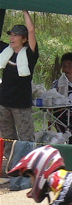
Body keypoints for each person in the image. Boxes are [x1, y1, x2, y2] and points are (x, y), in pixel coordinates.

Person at [0, 11, 38, 165]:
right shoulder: (5, 51)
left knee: (26, 138)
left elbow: (31, 30)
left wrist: (24, 11)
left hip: (21, 104)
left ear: (24, 39)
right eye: (11, 35)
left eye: (16, 35)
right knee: (8, 137)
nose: (12, 38)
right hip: (4, 102)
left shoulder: (29, 54)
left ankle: (29, 169)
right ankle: (11, 167)